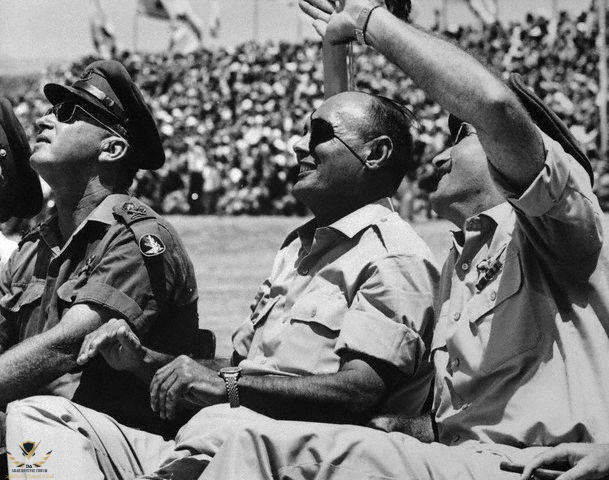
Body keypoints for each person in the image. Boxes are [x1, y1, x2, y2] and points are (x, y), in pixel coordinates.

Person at [182, 1, 609, 478]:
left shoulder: (560, 229)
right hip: (462, 460)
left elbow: (494, 108)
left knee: (256, 448)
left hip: (531, 467)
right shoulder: (461, 265)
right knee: (242, 439)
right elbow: (349, 158)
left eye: (463, 136)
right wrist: (406, 427)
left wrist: (370, 19)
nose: (440, 155)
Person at [6, 90, 439, 480]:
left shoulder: (393, 256)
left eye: (320, 133)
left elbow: (360, 393)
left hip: (277, 455)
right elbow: (239, 370)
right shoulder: (299, 249)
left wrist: (229, 386)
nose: (298, 144)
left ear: (376, 153)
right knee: (39, 417)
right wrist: (147, 362)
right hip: (204, 442)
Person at [0, 60, 199, 440]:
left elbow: (65, 348)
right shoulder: (33, 247)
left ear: (112, 148)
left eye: (66, 113)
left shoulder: (135, 238)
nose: (43, 120)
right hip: (39, 437)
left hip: (118, 445)